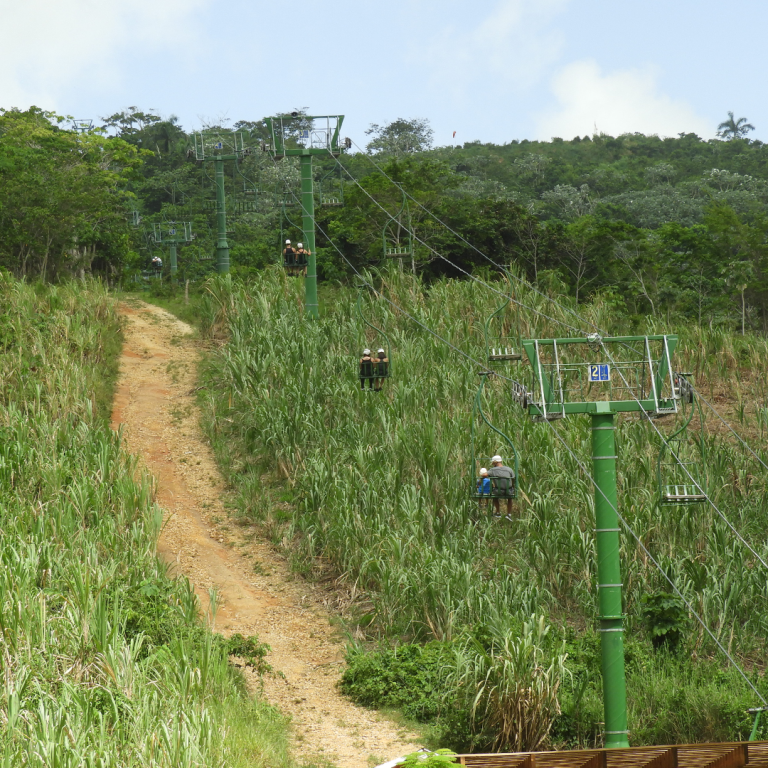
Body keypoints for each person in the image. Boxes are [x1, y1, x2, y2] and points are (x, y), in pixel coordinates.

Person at [487, 454, 515, 519]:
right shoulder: (509, 469)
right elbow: (513, 478)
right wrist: (512, 487)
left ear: (495, 462)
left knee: (495, 496)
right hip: (509, 491)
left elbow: (485, 474)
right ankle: (509, 514)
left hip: (498, 491)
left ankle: (498, 512)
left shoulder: (493, 470)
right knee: (510, 497)